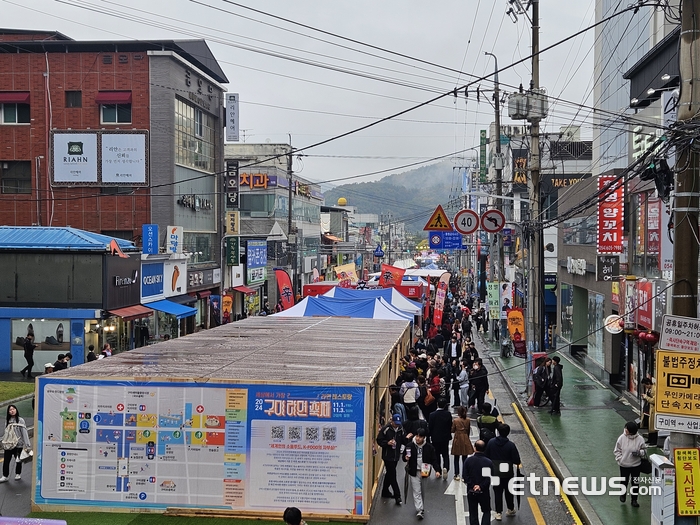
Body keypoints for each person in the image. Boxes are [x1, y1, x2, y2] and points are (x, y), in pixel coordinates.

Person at [403, 428, 441, 520]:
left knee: (422, 490)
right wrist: (406, 458)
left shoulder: (429, 447)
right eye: (417, 436)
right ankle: (420, 509)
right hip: (414, 471)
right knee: (416, 491)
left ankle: (421, 507)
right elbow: (404, 458)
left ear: (424, 437)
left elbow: (434, 460)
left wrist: (437, 470)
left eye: (420, 437)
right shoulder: (410, 446)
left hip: (425, 470)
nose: (418, 438)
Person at [485, 423, 521, 520]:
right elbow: (517, 460)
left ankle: (498, 512)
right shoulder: (511, 445)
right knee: (509, 492)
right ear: (508, 433)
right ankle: (510, 508)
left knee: (497, 492)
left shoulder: (491, 442)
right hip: (507, 473)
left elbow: (486, 455)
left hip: (495, 472)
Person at [613, 421, 646, 508]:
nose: (625, 430)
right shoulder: (621, 438)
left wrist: (639, 453)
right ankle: (623, 494)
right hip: (624, 465)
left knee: (635, 483)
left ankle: (634, 500)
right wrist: (620, 459)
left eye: (627, 429)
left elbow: (644, 451)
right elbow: (617, 450)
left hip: (636, 465)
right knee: (624, 481)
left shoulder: (640, 439)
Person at [376, 413, 405, 504]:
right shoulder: (386, 429)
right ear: (391, 421)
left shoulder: (401, 429)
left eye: (398, 423)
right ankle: (398, 496)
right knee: (393, 475)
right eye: (395, 423)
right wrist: (387, 443)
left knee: (389, 473)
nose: (396, 425)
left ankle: (385, 491)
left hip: (396, 456)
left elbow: (403, 439)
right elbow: (379, 440)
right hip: (387, 456)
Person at [463, 440, 493, 525]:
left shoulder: (468, 461)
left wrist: (473, 486)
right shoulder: (488, 462)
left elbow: (465, 477)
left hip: (471, 491)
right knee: (486, 511)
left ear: (474, 448)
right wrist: (480, 486)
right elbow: (489, 478)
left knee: (473, 513)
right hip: (484, 492)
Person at [0, 405, 31, 482]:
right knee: (6, 460)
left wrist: (27, 444)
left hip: (18, 444)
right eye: (10, 410)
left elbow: (24, 432)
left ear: (16, 410)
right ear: (8, 412)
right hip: (9, 444)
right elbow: (6, 432)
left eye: (13, 409)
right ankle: (5, 476)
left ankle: (18, 474)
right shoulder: (8, 420)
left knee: (18, 460)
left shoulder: (21, 420)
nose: (12, 411)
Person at [428, 397, 453, 479]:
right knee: (445, 454)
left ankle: (438, 470)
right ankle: (446, 467)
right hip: (445, 437)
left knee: (436, 454)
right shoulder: (448, 414)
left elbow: (430, 427)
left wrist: (429, 436)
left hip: (435, 437)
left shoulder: (432, 415)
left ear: (437, 404)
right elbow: (450, 425)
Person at [451, 406, 474, 481]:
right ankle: (464, 475)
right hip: (465, 438)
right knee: (465, 458)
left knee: (456, 457)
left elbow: (453, 430)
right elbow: (468, 431)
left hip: (457, 438)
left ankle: (456, 474)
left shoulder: (455, 420)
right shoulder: (468, 420)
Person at [641, 378, 657, 446]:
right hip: (648, 409)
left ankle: (654, 441)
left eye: (645, 385)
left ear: (648, 383)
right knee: (649, 425)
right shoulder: (649, 389)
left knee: (653, 426)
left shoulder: (655, 389)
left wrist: (646, 397)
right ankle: (650, 439)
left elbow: (654, 400)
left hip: (653, 409)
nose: (645, 387)